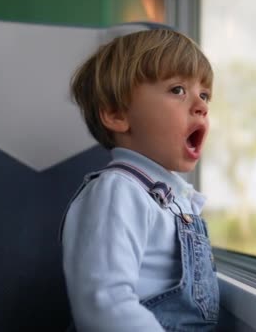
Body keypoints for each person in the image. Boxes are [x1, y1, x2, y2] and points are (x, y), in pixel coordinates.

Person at [59, 28, 219, 331]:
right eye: (177, 90)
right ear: (118, 115)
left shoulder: (173, 201)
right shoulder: (117, 191)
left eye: (205, 94)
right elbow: (105, 305)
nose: (201, 105)